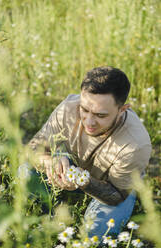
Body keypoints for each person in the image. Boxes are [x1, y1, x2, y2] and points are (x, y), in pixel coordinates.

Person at [27, 66, 152, 240]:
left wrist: (83, 181)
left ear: (122, 109)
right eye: (85, 110)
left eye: (101, 115)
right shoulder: (68, 109)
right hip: (71, 167)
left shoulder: (135, 144)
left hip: (115, 186)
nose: (89, 122)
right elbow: (33, 148)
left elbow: (116, 196)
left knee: (97, 232)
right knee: (25, 174)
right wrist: (51, 161)